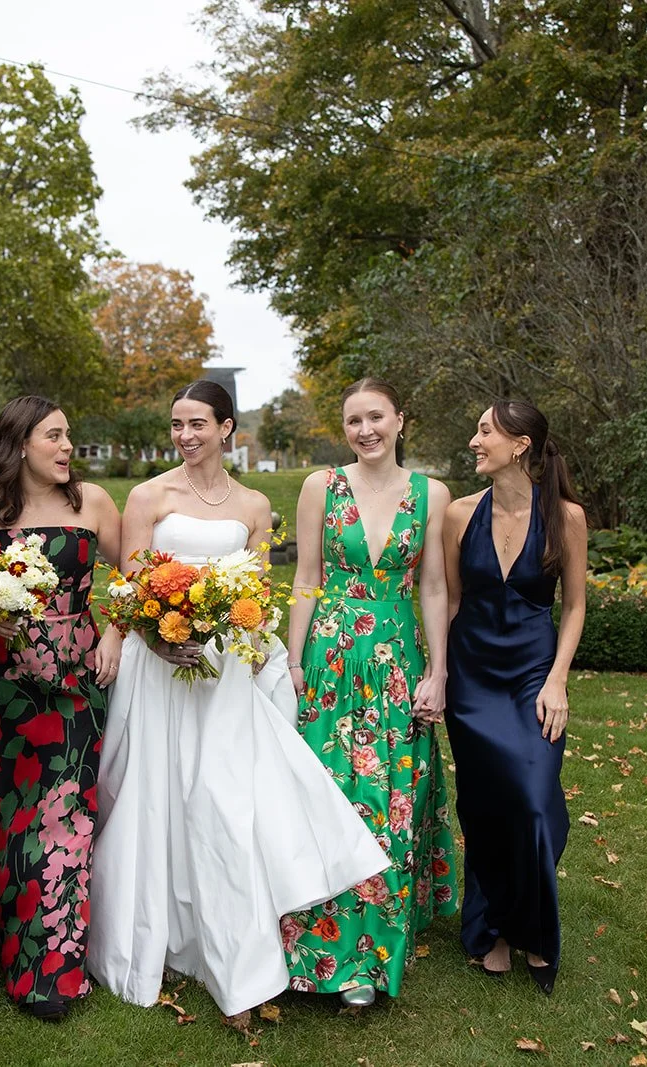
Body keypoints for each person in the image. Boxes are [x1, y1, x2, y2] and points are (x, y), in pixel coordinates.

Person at [87, 379, 388, 1023]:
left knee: (223, 805)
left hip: (220, 672)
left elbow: (254, 591)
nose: (185, 436)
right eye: (176, 425)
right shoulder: (148, 495)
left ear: (227, 428)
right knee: (159, 799)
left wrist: (245, 639)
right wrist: (152, 634)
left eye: (197, 424)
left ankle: (238, 964)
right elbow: (129, 583)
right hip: (157, 670)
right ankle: (166, 938)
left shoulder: (254, 505)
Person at [0, 396, 123, 1021]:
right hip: (3, 685)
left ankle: (53, 975)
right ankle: (6, 938)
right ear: (19, 445)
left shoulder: (92, 503)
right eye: (55, 437)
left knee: (65, 818)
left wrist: (116, 637)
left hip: (75, 681)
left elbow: (132, 577)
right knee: (5, 821)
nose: (68, 448)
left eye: (69, 436)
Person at [283, 377, 458, 1006]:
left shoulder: (431, 494)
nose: (365, 430)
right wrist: (294, 661)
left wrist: (437, 672)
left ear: (400, 420)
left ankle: (368, 960)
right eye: (354, 420)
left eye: (376, 417)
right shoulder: (320, 488)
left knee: (387, 799)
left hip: (395, 661)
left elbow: (434, 587)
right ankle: (312, 945)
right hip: (330, 659)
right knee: (328, 793)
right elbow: (306, 577)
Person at [443, 400, 587, 995]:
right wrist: (440, 674)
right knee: (483, 807)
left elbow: (574, 605)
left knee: (532, 800)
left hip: (532, 670)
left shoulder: (566, 517)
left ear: (520, 443)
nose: (474, 442)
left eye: (484, 432)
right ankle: (491, 929)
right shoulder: (457, 514)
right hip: (472, 675)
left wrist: (557, 679)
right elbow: (450, 602)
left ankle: (530, 922)